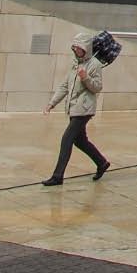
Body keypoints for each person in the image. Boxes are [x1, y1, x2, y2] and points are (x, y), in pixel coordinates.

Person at [42, 31, 110, 185]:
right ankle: (102, 163)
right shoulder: (76, 63)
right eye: (74, 48)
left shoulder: (95, 65)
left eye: (78, 48)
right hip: (73, 108)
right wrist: (51, 103)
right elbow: (65, 86)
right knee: (80, 141)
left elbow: (97, 87)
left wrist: (85, 77)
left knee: (66, 139)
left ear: (85, 48)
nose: (76, 51)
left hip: (84, 109)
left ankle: (57, 176)